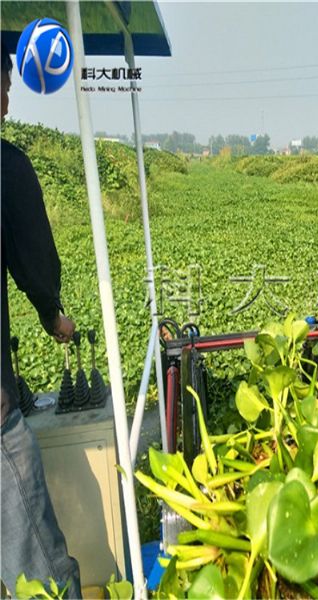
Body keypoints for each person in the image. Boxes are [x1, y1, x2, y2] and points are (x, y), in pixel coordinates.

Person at [1, 41, 82, 598]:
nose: (7, 102)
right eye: (4, 87)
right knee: (42, 574)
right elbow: (32, 255)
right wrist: (54, 315)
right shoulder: (6, 166)